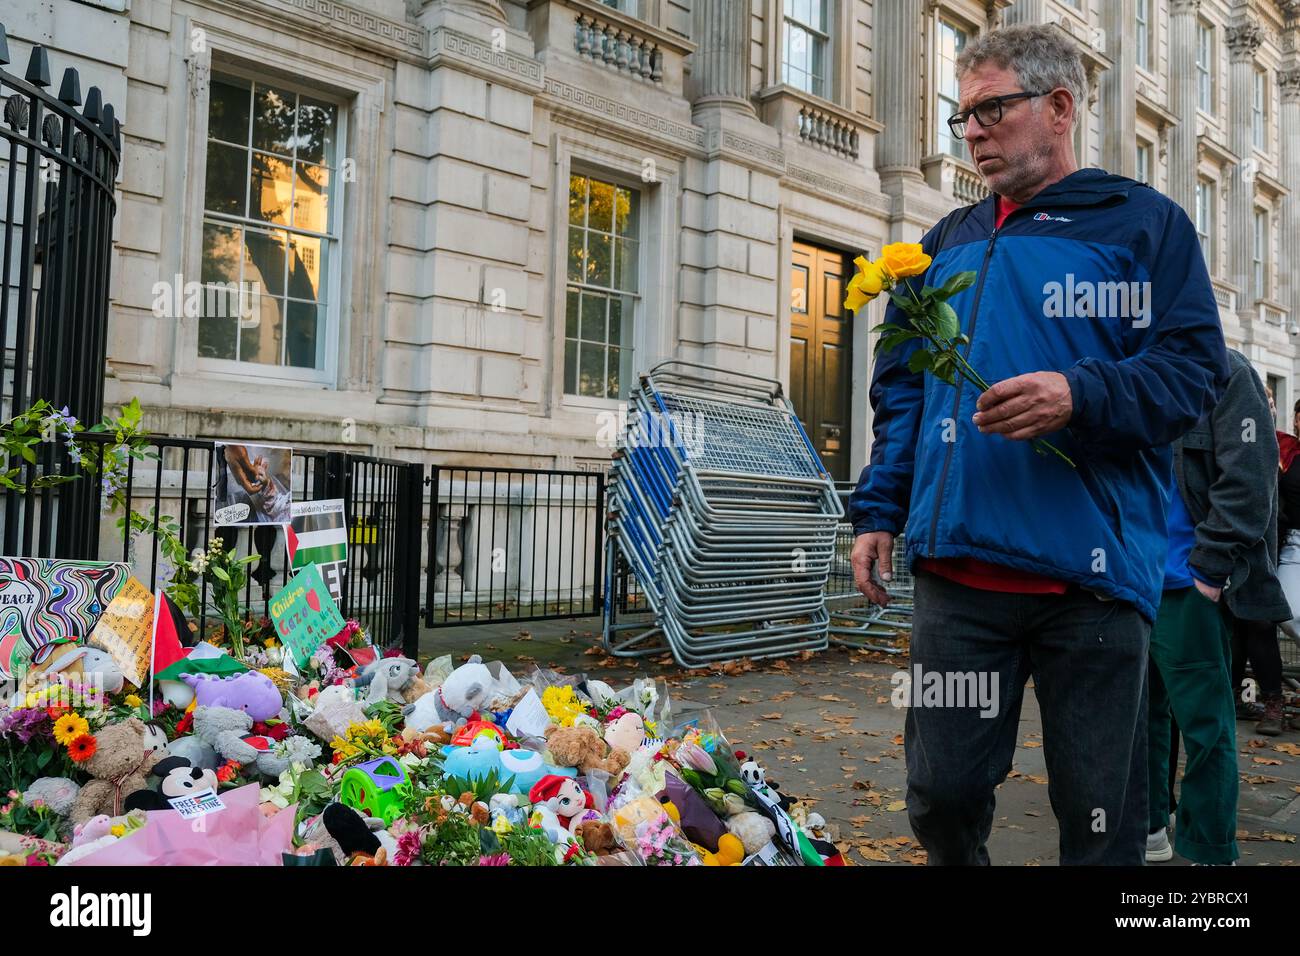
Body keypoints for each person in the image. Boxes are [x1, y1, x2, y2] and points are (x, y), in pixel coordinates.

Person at [848, 24, 1228, 865]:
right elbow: (905, 384)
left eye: (991, 109)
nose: (973, 131)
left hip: (1090, 583)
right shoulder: (946, 239)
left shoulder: (1145, 226)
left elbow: (1194, 371)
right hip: (959, 577)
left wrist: (1081, 393)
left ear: (1059, 108)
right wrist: (878, 506)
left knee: (1100, 821)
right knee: (939, 798)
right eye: (963, 116)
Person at [1145, 350, 1289, 865]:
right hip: (1129, 579)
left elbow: (1251, 479)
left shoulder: (1227, 371)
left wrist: (1208, 568)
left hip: (1189, 582)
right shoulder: (1122, 362)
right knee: (1142, 716)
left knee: (1205, 722)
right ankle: (1151, 826)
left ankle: (1208, 845)